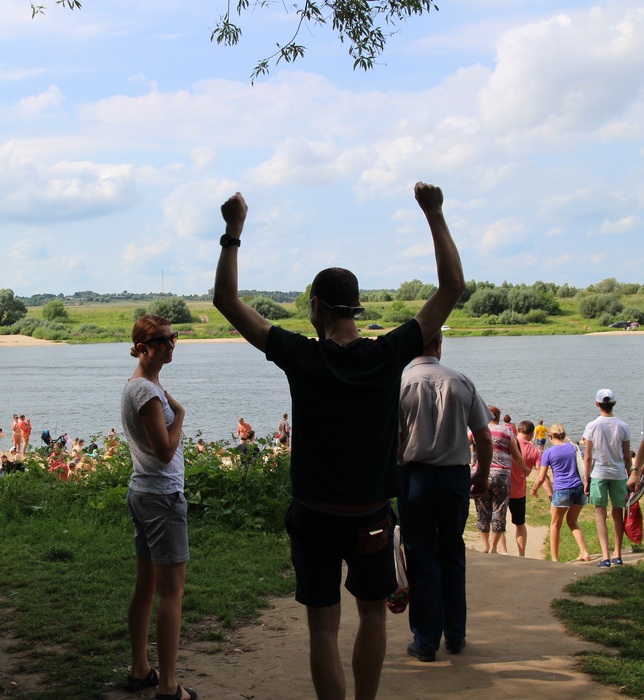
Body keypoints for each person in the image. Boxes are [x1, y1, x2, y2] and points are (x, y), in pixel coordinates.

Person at [213, 182, 465, 700]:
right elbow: (451, 289)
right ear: (355, 307)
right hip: (369, 515)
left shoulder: (302, 356)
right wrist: (435, 214)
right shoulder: (387, 354)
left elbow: (226, 301)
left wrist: (233, 232)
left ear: (316, 307)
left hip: (313, 516)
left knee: (323, 628)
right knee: (372, 616)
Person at [397, 330, 492, 662]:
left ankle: (426, 641)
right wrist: (481, 474)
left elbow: (392, 440)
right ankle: (455, 634)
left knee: (420, 555)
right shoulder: (460, 380)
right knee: (451, 551)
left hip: (415, 476)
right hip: (454, 477)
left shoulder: (401, 383)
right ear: (439, 344)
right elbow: (483, 436)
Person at [120, 314, 197, 700]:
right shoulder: (147, 394)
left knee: (147, 586)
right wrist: (179, 416)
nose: (170, 345)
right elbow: (165, 452)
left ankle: (140, 669)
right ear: (143, 348)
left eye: (173, 337)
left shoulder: (140, 384)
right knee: (171, 593)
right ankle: (168, 686)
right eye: (162, 341)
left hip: (143, 492)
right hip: (161, 498)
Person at [583, 389, 631, 568]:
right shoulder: (623, 426)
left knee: (600, 514)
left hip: (599, 474)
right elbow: (627, 456)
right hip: (619, 474)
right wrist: (630, 477)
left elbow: (588, 457)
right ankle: (618, 554)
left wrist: (586, 480)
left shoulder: (592, 426)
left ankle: (605, 556)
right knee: (618, 513)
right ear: (614, 403)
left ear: (597, 404)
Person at [531, 423, 590, 562]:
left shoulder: (548, 452)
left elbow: (541, 477)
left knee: (555, 524)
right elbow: (583, 464)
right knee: (572, 521)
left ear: (551, 436)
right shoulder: (574, 447)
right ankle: (584, 552)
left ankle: (555, 559)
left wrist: (534, 489)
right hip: (579, 489)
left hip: (562, 490)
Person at [473, 406, 526, 554]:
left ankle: (485, 545)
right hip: (502, 475)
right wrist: (524, 469)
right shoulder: (506, 431)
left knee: (482, 509)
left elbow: (464, 444)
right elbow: (516, 454)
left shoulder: (477, 430)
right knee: (499, 509)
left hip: (481, 473)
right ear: (498, 417)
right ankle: (494, 547)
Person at [503, 420, 543, 556]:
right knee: (520, 524)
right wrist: (541, 490)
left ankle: (503, 552)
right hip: (519, 492)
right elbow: (541, 474)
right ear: (531, 434)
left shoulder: (509, 442)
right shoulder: (535, 450)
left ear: (518, 430)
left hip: (503, 488)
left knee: (499, 522)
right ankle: (521, 555)